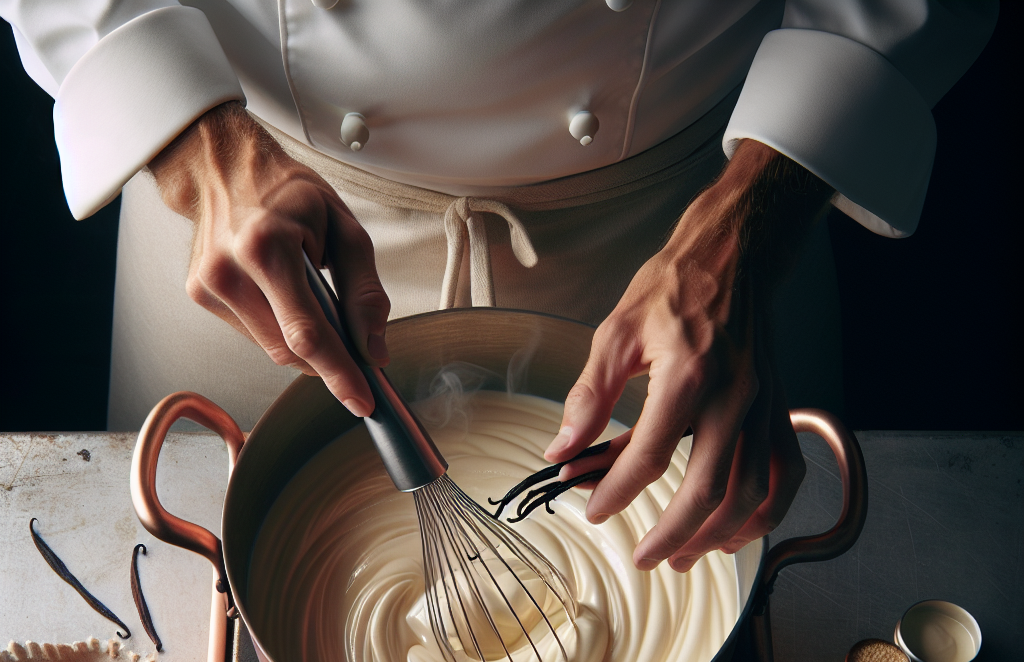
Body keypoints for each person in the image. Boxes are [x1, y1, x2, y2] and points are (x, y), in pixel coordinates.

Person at [4, 0, 996, 572]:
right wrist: (193, 143)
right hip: (252, 227)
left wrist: (753, 218)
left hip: (695, 245)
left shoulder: (724, 248)